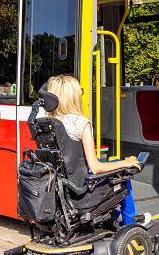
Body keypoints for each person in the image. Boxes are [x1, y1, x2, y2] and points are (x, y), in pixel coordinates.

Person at [46, 75, 149, 225]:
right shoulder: (81, 123)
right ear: (73, 97)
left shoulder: (47, 123)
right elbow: (96, 168)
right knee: (123, 176)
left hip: (63, 188)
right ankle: (130, 222)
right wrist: (126, 163)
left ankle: (117, 216)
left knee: (111, 162)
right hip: (81, 193)